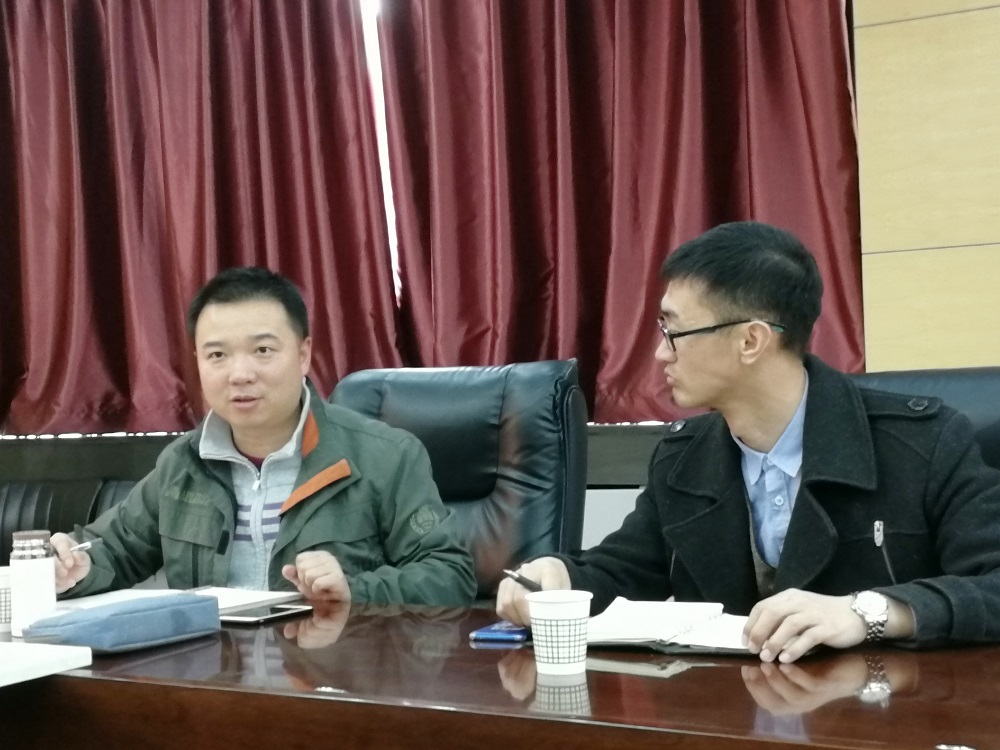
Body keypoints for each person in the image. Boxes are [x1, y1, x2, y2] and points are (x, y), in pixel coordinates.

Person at [498, 221, 1000, 662]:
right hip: (729, 715)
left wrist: (867, 612)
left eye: (674, 331)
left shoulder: (923, 442)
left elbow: (993, 585)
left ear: (750, 340)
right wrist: (558, 577)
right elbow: (626, 569)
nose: (659, 354)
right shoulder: (682, 457)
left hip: (887, 713)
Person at [52, 267, 476, 606]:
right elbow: (113, 549)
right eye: (217, 355)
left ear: (303, 354)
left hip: (334, 676)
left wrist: (355, 589)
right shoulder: (183, 463)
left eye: (263, 351)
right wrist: (74, 567)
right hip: (208, 677)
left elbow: (450, 575)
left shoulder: (386, 456)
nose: (240, 374)